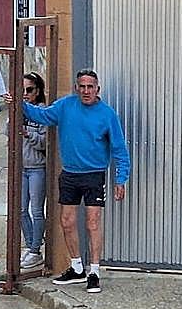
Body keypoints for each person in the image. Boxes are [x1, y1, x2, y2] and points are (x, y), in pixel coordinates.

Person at [21, 69, 129, 294]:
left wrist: (121, 178)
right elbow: (41, 116)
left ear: (97, 89)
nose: (86, 91)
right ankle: (77, 267)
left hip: (94, 174)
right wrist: (17, 103)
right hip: (69, 174)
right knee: (67, 221)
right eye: (82, 86)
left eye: (90, 87)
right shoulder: (65, 106)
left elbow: (120, 149)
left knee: (92, 223)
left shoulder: (107, 114)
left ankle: (94, 272)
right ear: (76, 88)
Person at [18, 72, 48, 269]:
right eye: (22, 90)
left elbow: (45, 142)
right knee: (20, 210)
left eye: (29, 90)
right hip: (21, 167)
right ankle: (31, 246)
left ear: (37, 91)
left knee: (36, 210)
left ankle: (35, 249)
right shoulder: (18, 110)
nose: (26, 94)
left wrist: (28, 134)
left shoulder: (42, 111)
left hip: (37, 167)